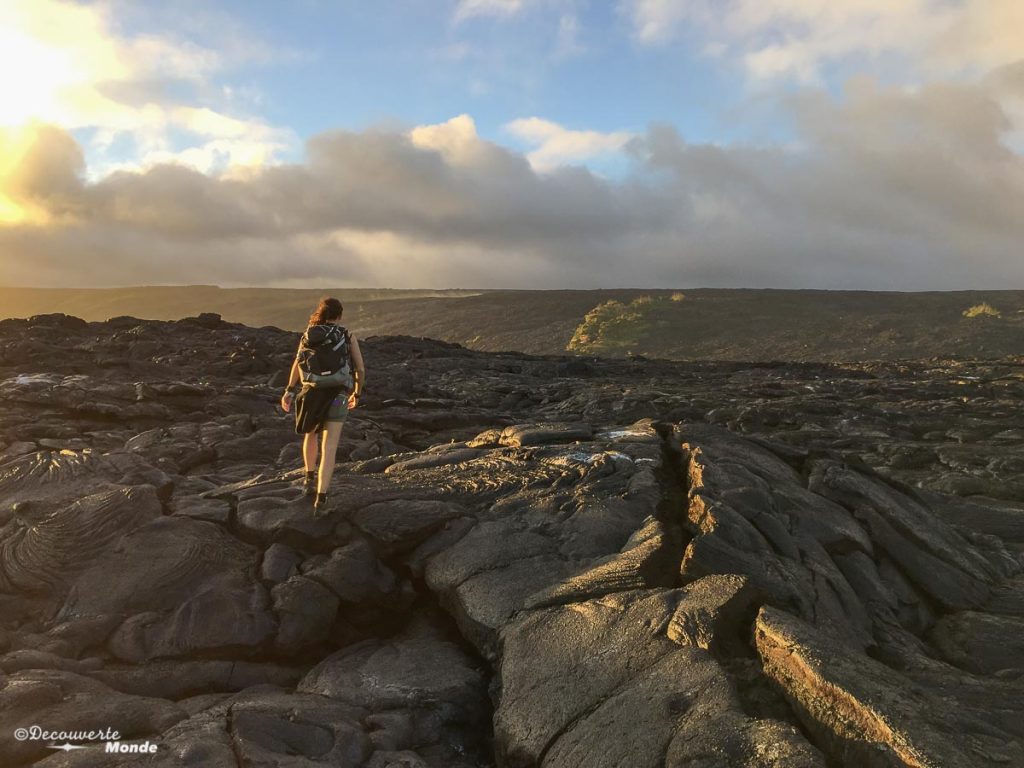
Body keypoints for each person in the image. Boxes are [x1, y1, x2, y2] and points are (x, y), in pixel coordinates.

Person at [280, 297, 365, 514]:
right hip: (338, 394)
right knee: (330, 446)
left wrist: (290, 391)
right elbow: (360, 370)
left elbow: (297, 363)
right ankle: (322, 498)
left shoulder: (309, 334)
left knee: (311, 434)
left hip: (311, 393)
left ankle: (308, 477)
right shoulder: (347, 335)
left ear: (321, 313)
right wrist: (356, 392)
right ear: (340, 315)